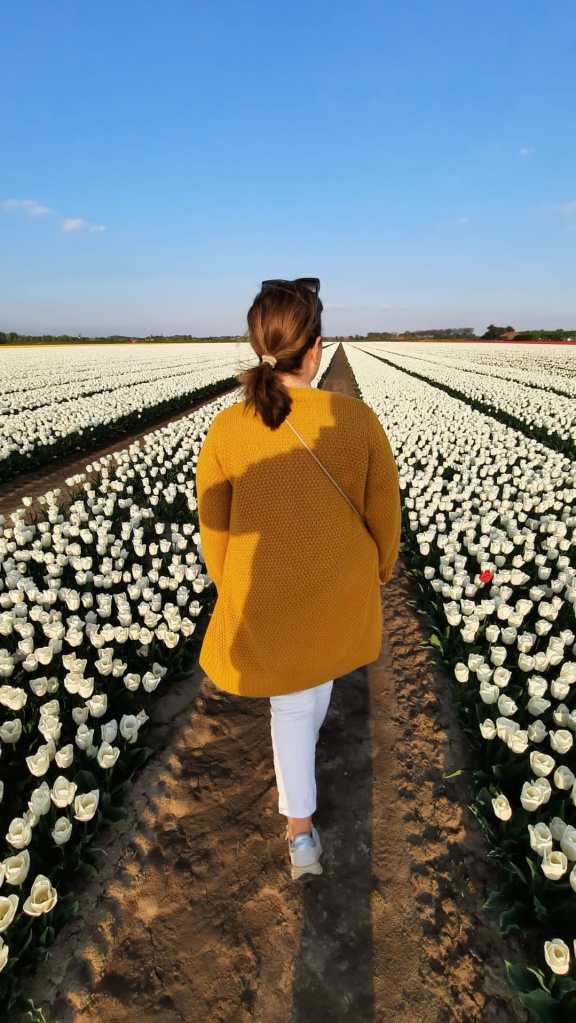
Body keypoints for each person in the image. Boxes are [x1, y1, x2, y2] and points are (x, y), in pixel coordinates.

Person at [195, 278, 401, 880]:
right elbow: (385, 513)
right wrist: (382, 568)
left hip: (270, 594)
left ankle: (300, 814)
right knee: (306, 693)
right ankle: (301, 832)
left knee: (297, 698)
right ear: (315, 349)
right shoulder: (353, 420)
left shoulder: (228, 430)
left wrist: (228, 584)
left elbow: (215, 526)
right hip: (336, 591)